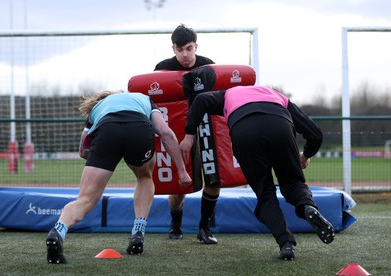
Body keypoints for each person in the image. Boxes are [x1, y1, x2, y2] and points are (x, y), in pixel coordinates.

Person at [179, 85, 335, 260]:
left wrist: (189, 134)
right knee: (293, 183)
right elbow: (315, 134)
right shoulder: (277, 96)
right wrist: (306, 155)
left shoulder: (229, 94)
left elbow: (201, 100)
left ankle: (286, 244)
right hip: (280, 125)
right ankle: (308, 206)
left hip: (244, 130)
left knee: (265, 193)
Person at [45, 90, 192, 264]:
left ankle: (58, 230)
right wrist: (182, 171)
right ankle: (138, 232)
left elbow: (83, 151)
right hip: (138, 127)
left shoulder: (98, 108)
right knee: (144, 177)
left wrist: (100, 159)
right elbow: (165, 133)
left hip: (106, 130)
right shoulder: (144, 99)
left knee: (85, 199)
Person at [154, 24, 219, 244]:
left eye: (189, 48)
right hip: (177, 131)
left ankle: (205, 227)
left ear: (196, 46)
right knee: (179, 183)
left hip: (206, 127)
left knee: (213, 177)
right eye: (180, 49)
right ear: (173, 48)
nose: (184, 54)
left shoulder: (208, 65)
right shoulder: (163, 69)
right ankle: (176, 222)